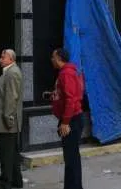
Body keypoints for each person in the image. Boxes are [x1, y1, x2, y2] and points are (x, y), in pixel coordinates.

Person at [50, 48, 84, 189]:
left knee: (71, 158)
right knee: (71, 157)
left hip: (71, 120)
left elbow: (71, 100)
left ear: (59, 58)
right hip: (72, 118)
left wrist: (65, 122)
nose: (52, 60)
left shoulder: (67, 74)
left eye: (53, 57)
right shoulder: (68, 72)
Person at [0, 49, 23, 189]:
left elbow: (11, 98)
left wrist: (8, 120)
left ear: (11, 59)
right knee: (12, 154)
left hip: (7, 123)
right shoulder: (8, 72)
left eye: (3, 57)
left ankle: (5, 183)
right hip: (6, 122)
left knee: (6, 155)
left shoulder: (12, 73)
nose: (0, 59)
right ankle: (16, 181)